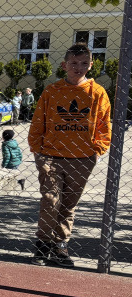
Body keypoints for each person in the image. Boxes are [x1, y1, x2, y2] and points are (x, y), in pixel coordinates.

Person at [28, 43, 111, 267]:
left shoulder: (97, 93)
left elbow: (104, 125)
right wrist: (37, 149)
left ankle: (60, 246)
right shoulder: (52, 91)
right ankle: (43, 245)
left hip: (82, 158)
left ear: (91, 65)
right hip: (51, 155)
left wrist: (98, 150)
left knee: (69, 204)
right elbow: (38, 122)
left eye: (84, 63)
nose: (78, 68)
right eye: (74, 63)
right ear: (64, 65)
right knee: (50, 201)